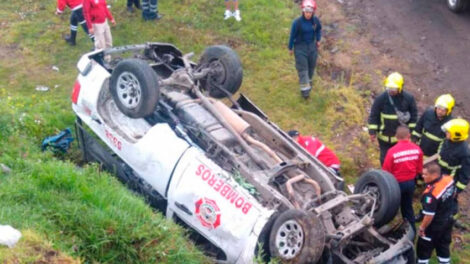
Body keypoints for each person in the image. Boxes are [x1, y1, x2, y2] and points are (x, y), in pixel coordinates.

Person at [367, 72, 418, 165]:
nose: (391, 90)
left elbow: (414, 116)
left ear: (400, 87)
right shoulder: (381, 99)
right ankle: (386, 177)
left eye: (394, 88)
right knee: (385, 160)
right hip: (384, 138)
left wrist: (411, 132)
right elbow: (374, 115)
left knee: (399, 161)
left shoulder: (408, 98)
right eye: (389, 88)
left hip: (400, 139)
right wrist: (372, 131)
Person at [382, 126, 423, 231]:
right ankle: (412, 230)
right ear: (409, 136)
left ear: (396, 137)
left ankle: (385, 228)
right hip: (410, 183)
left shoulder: (392, 151)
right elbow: (419, 169)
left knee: (389, 207)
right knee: (407, 207)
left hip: (396, 184)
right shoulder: (417, 149)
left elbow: (386, 171)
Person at [416, 162, 456, 264]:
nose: (422, 176)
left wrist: (422, 228)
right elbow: (453, 194)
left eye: (425, 174)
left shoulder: (431, 194)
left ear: (434, 175)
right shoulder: (449, 179)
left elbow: (429, 215)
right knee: (443, 245)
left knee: (424, 247)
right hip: (448, 219)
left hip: (435, 225)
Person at [288, 0, 322, 99]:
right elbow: (292, 36)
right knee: (303, 70)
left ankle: (309, 83)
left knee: (311, 67)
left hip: (312, 47)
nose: (308, 14)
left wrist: (318, 39)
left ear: (313, 12)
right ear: (303, 11)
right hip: (300, 47)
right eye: (306, 12)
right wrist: (290, 48)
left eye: (310, 12)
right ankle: (305, 93)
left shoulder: (315, 21)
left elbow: (319, 30)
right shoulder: (297, 23)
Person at [437, 118, 470, 215]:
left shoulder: (464, 152)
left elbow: (465, 174)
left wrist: (457, 190)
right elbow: (440, 153)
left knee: (449, 201)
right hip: (439, 174)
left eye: (449, 132)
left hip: (450, 181)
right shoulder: (447, 141)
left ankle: (450, 216)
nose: (446, 133)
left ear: (457, 135)